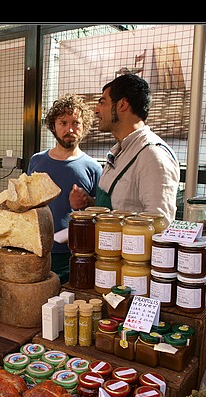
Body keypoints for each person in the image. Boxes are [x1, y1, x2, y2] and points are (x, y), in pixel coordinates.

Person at [26, 93, 103, 284]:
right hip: (37, 249)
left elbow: (102, 212)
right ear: (53, 126)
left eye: (76, 123)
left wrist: (87, 202)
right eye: (63, 123)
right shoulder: (37, 161)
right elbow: (27, 203)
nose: (70, 129)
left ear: (84, 127)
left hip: (75, 253)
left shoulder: (93, 167)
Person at [93, 74, 180, 225]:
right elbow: (120, 205)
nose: (96, 110)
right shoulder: (119, 151)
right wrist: (88, 202)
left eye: (103, 102)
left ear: (122, 104)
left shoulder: (153, 155)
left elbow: (160, 222)